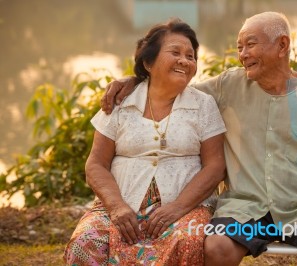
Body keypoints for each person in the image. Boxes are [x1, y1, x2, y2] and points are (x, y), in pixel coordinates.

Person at [101, 12, 297, 266]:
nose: (242, 55)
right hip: (244, 210)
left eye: (250, 45)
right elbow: (173, 86)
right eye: (240, 47)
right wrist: (135, 80)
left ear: (282, 45)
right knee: (217, 247)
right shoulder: (228, 85)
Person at [64, 18, 226, 266]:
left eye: (191, 56)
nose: (185, 60)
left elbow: (215, 166)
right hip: (120, 205)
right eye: (175, 52)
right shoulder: (119, 102)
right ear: (148, 62)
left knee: (187, 240)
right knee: (86, 241)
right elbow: (95, 164)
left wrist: (178, 208)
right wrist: (117, 207)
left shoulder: (203, 105)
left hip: (186, 207)